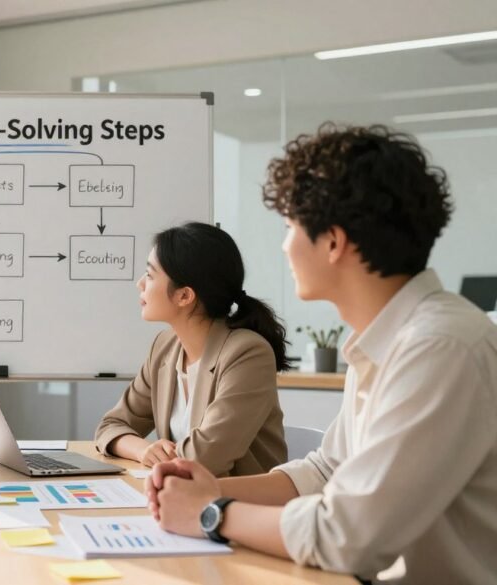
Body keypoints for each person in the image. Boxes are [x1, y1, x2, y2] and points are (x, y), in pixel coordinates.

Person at [148, 124, 497, 585]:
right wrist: (204, 489)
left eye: (290, 227)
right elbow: (327, 469)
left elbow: (348, 538)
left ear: (333, 242)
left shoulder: (439, 347)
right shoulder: (386, 338)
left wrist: (213, 513)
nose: (283, 245)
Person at [95, 222, 289, 476]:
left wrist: (160, 457)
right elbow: (111, 425)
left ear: (185, 296)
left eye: (150, 275)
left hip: (238, 505)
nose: (140, 284)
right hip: (182, 498)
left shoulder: (248, 354)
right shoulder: (164, 347)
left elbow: (205, 457)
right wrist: (144, 450)